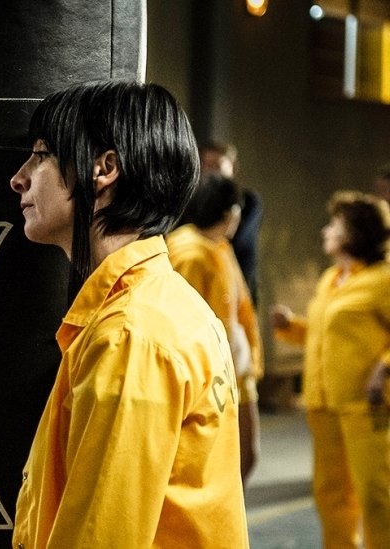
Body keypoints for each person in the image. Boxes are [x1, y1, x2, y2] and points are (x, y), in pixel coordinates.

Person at [9, 81, 248, 548]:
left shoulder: (130, 336)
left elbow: (100, 537)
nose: (19, 178)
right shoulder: (163, 305)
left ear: (104, 169)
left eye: (40, 156)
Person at [270, 190, 390, 549]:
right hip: (323, 406)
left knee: (377, 496)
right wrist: (291, 327)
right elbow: (324, 335)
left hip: (365, 408)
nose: (325, 231)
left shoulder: (382, 280)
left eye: (334, 225)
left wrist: (384, 368)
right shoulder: (330, 279)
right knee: (331, 496)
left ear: (355, 233)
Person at [167, 173, 264, 485]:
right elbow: (181, 323)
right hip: (211, 374)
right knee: (224, 462)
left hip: (234, 367)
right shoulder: (190, 254)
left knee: (244, 456)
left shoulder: (219, 246)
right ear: (227, 213)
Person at [200, 140, 264, 306]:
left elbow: (239, 241)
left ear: (233, 167)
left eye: (217, 165)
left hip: (239, 286)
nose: (210, 172)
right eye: (206, 165)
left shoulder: (249, 202)